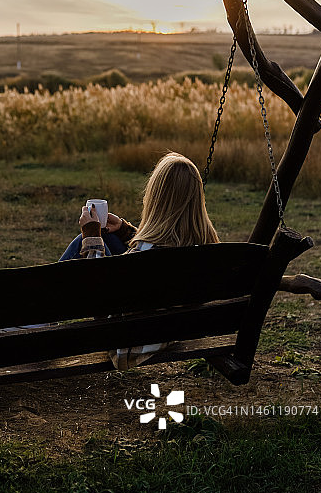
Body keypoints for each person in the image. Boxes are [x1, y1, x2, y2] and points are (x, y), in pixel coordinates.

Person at [59, 152, 219, 370]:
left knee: (83, 242)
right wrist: (126, 232)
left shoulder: (143, 257)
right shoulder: (209, 246)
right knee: (109, 237)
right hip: (172, 329)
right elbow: (158, 255)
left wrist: (91, 237)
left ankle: (36, 314)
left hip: (129, 343)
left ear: (155, 198)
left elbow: (97, 298)